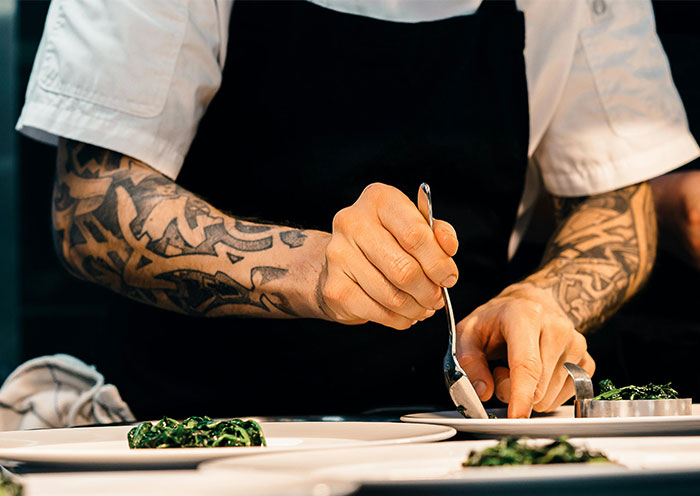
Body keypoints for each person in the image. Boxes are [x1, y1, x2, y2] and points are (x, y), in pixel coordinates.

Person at [15, 0, 699, 419]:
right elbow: (91, 202)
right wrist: (311, 266)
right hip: (193, 435)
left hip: (455, 439)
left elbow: (616, 189)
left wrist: (547, 301)